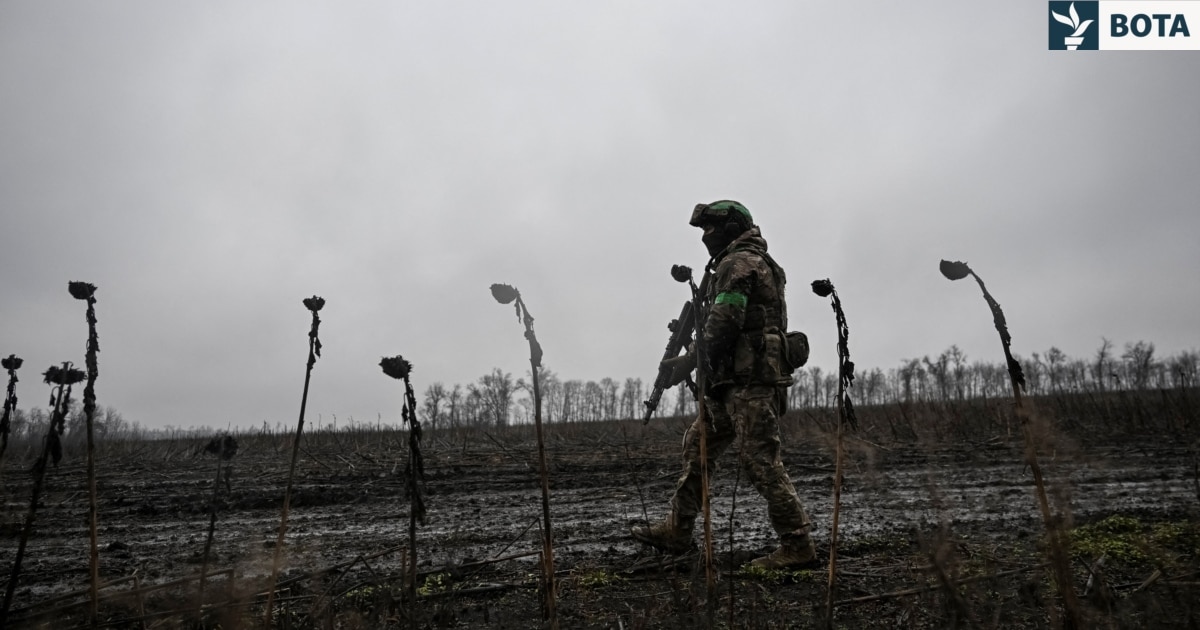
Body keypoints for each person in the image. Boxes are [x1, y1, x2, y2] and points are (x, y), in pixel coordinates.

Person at [630, 200, 818, 570]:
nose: (705, 238)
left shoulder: (741, 262)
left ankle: (798, 544)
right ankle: (678, 529)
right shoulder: (733, 263)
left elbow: (726, 320)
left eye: (710, 230)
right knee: (698, 447)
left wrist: (688, 362)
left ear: (732, 229)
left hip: (750, 383)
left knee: (760, 461)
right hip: (729, 382)